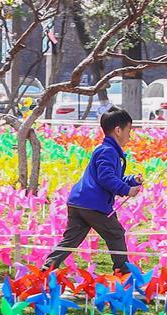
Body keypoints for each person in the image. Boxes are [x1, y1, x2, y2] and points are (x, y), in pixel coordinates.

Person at [43, 107, 143, 274]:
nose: (130, 135)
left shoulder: (104, 150)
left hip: (78, 202)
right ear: (118, 130)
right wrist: (127, 190)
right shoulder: (109, 152)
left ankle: (48, 266)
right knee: (116, 233)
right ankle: (123, 271)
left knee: (71, 239)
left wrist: (132, 180)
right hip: (94, 204)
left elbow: (109, 177)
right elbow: (106, 179)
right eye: (129, 130)